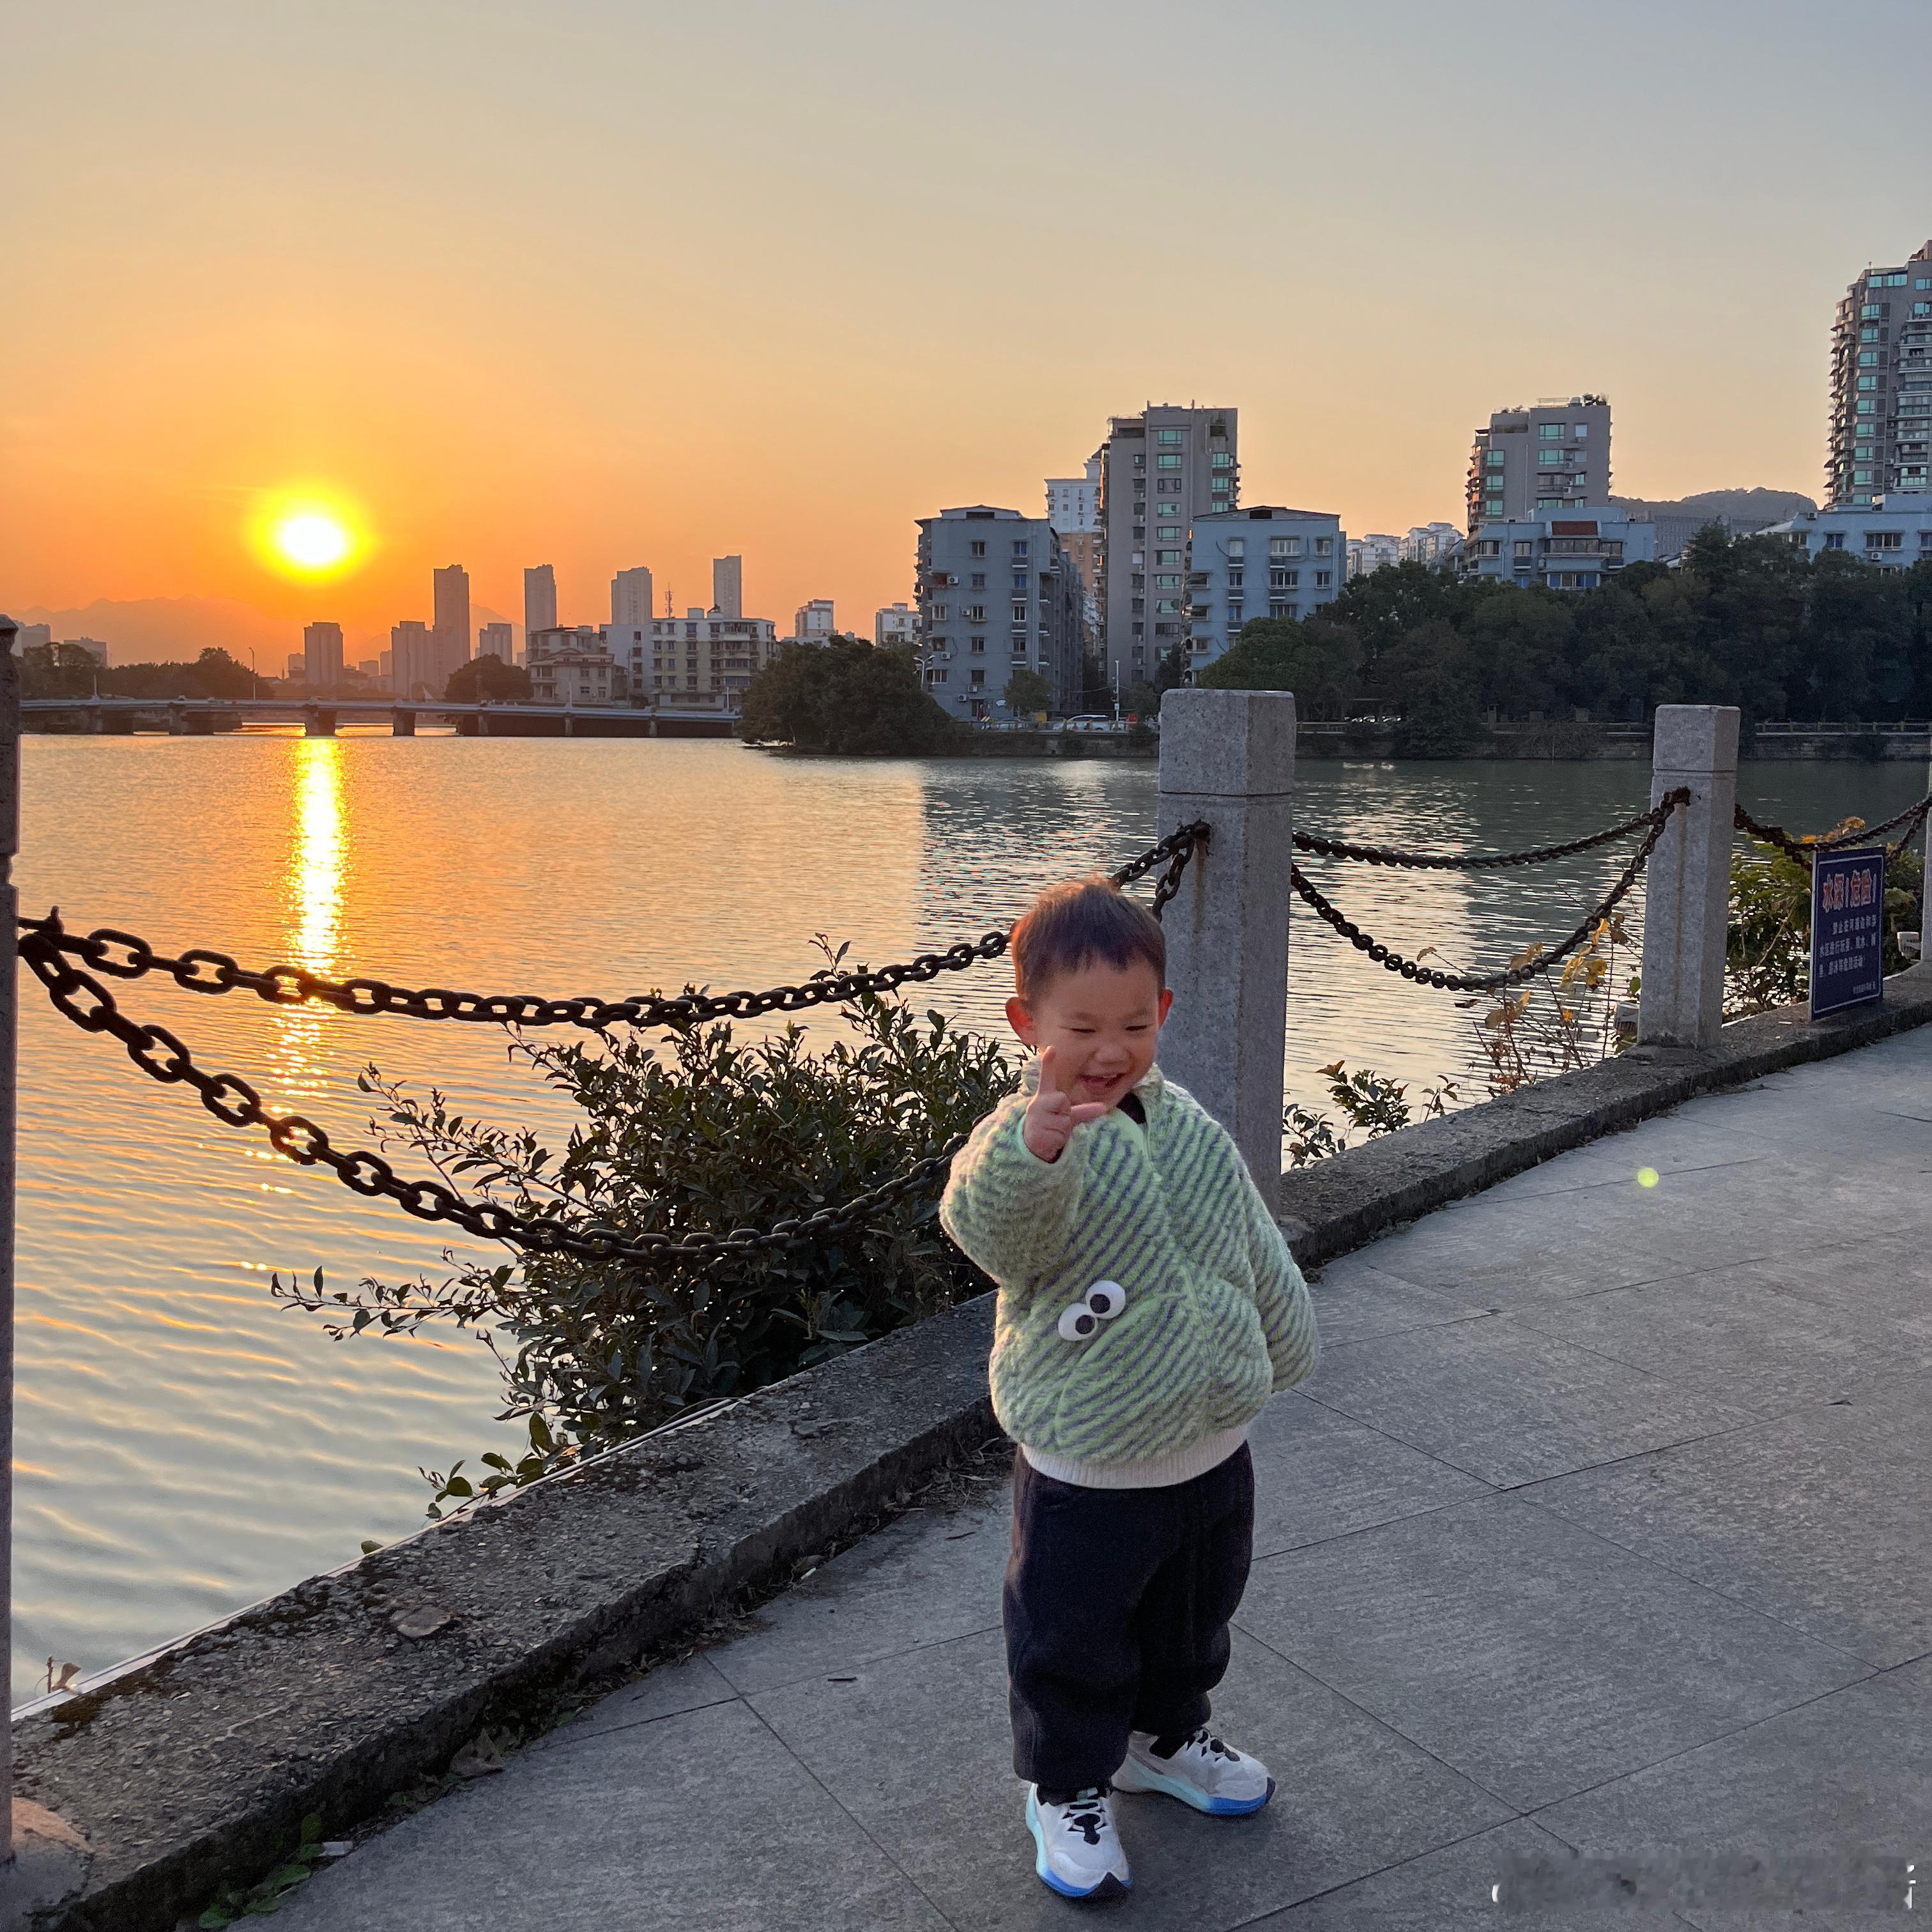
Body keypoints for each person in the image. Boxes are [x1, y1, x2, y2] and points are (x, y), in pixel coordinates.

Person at [940, 874, 1321, 1903]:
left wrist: (1283, 1344)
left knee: (1194, 1612)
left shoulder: (1186, 1122)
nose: (1109, 1053)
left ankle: (1166, 1738)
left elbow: (1245, 1237)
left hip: (1209, 1438)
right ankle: (1066, 1784)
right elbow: (990, 1237)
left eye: (1132, 1025)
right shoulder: (1023, 1139)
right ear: (1028, 1024)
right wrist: (1037, 1149)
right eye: (1082, 1028)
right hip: (1089, 1455)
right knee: (1072, 1634)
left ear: (1162, 1014)